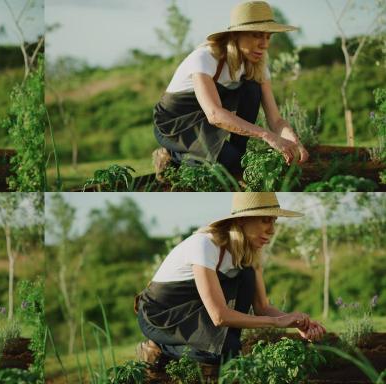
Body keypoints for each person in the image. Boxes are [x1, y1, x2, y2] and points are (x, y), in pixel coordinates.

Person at [135, 192, 326, 365]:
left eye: (274, 221)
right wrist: (277, 322)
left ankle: (224, 342)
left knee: (228, 345)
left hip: (194, 312)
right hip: (161, 316)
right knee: (221, 353)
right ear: (242, 220)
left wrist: (296, 323)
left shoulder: (250, 254)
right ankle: (158, 347)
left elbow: (263, 308)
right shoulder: (205, 245)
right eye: (266, 220)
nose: (272, 230)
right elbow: (219, 317)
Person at [152, 1, 309, 180]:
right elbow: (215, 115)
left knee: (252, 89)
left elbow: (275, 119)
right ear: (235, 36)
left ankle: (236, 154)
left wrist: (293, 142)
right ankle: (171, 154)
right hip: (175, 127)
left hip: (207, 123)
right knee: (221, 167)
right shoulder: (205, 58)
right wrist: (267, 136)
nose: (264, 44)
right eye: (257, 35)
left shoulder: (257, 64)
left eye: (268, 37)